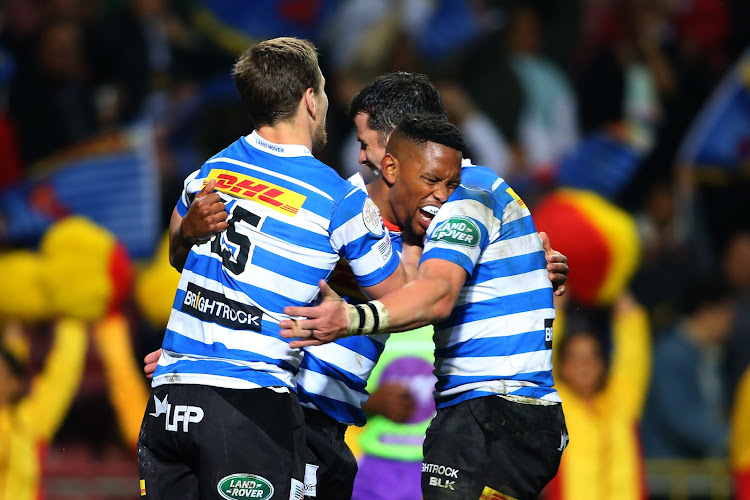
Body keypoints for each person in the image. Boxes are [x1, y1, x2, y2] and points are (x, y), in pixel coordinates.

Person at [137, 37, 406, 500]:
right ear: (310, 98)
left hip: (170, 399)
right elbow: (402, 298)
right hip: (248, 406)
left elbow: (178, 253)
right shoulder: (339, 201)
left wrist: (187, 236)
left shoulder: (209, 171)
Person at [281, 124, 568, 499]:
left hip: (488, 412)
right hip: (502, 412)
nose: (362, 159)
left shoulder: (461, 200)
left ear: (394, 153)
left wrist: (352, 318)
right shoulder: (480, 190)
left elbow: (436, 291)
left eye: (366, 143)